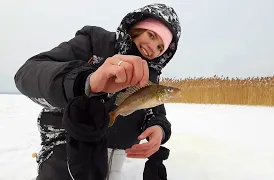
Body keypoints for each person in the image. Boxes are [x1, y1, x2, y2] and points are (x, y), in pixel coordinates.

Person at [14, 3, 181, 180]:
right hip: (67, 137)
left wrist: (158, 128)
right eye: (151, 35)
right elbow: (26, 74)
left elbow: (154, 110)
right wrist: (85, 81)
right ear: (136, 26)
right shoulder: (94, 41)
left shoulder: (150, 73)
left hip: (116, 148)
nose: (152, 48)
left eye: (160, 48)